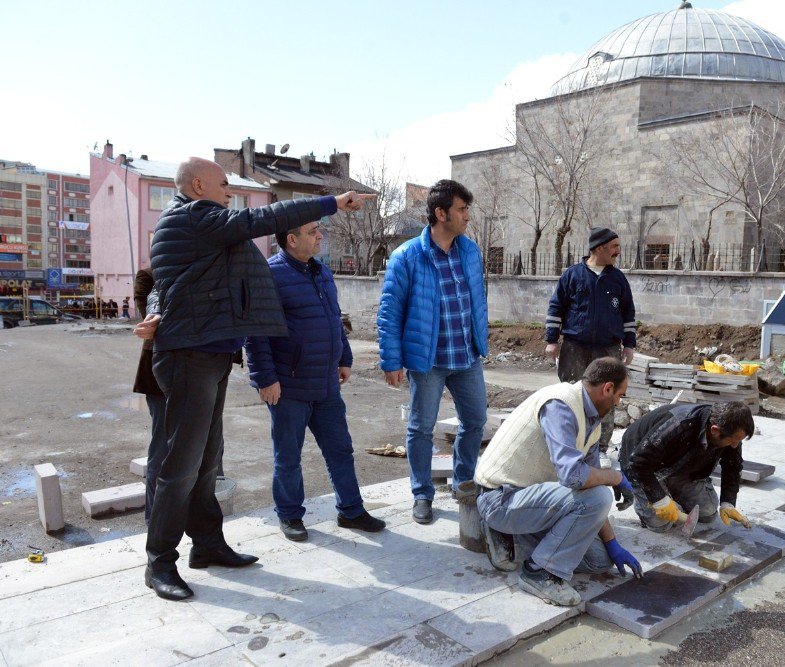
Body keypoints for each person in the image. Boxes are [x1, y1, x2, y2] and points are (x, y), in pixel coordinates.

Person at [133, 156, 373, 601]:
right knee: (179, 466)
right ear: (199, 184)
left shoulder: (200, 226)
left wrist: (152, 309)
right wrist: (330, 203)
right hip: (189, 355)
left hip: (211, 352)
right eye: (224, 183)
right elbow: (262, 219)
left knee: (205, 461)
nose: (230, 191)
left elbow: (172, 282)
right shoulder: (195, 216)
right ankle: (159, 562)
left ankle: (206, 546)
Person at [246, 219, 385, 542]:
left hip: (325, 384)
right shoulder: (270, 275)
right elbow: (256, 333)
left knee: (340, 450)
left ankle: (351, 510)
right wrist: (265, 379)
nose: (320, 235)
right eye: (312, 231)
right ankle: (290, 515)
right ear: (291, 239)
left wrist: (344, 358)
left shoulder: (321, 271)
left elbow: (334, 318)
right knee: (288, 455)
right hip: (288, 385)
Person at [475, 357, 642, 607]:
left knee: (599, 560)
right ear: (607, 388)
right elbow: (573, 476)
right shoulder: (560, 405)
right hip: (499, 497)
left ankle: (518, 536)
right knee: (599, 497)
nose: (619, 402)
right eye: (620, 395)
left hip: (531, 498)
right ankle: (538, 573)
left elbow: (590, 487)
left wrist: (612, 543)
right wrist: (615, 477)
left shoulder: (592, 423)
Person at [377, 179, 488, 525]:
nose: (467, 216)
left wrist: (481, 338)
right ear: (441, 213)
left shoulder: (469, 251)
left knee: (475, 422)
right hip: (428, 361)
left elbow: (476, 300)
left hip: (466, 357)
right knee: (421, 429)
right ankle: (422, 493)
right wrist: (392, 361)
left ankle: (463, 481)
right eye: (461, 209)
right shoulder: (407, 256)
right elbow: (389, 313)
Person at [544, 227, 636, 449]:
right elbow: (556, 308)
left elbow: (628, 313)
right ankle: (570, 445)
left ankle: (600, 448)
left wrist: (629, 345)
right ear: (599, 248)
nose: (618, 251)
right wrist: (552, 340)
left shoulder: (618, 279)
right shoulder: (572, 275)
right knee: (571, 395)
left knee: (608, 398)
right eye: (614, 246)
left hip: (608, 349)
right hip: (575, 347)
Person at [618, 401, 755, 532]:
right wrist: (658, 499)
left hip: (676, 463)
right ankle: (632, 487)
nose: (735, 446)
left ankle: (670, 487)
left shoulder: (730, 430)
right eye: (732, 441)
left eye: (738, 441)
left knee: (707, 513)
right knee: (661, 524)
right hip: (640, 462)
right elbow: (639, 461)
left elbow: (732, 465)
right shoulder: (679, 425)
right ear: (715, 430)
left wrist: (728, 502)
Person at [131, 268, 166, 525]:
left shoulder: (195, 270)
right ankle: (154, 517)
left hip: (198, 371)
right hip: (158, 369)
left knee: (209, 444)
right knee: (162, 443)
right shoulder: (148, 276)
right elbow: (149, 321)